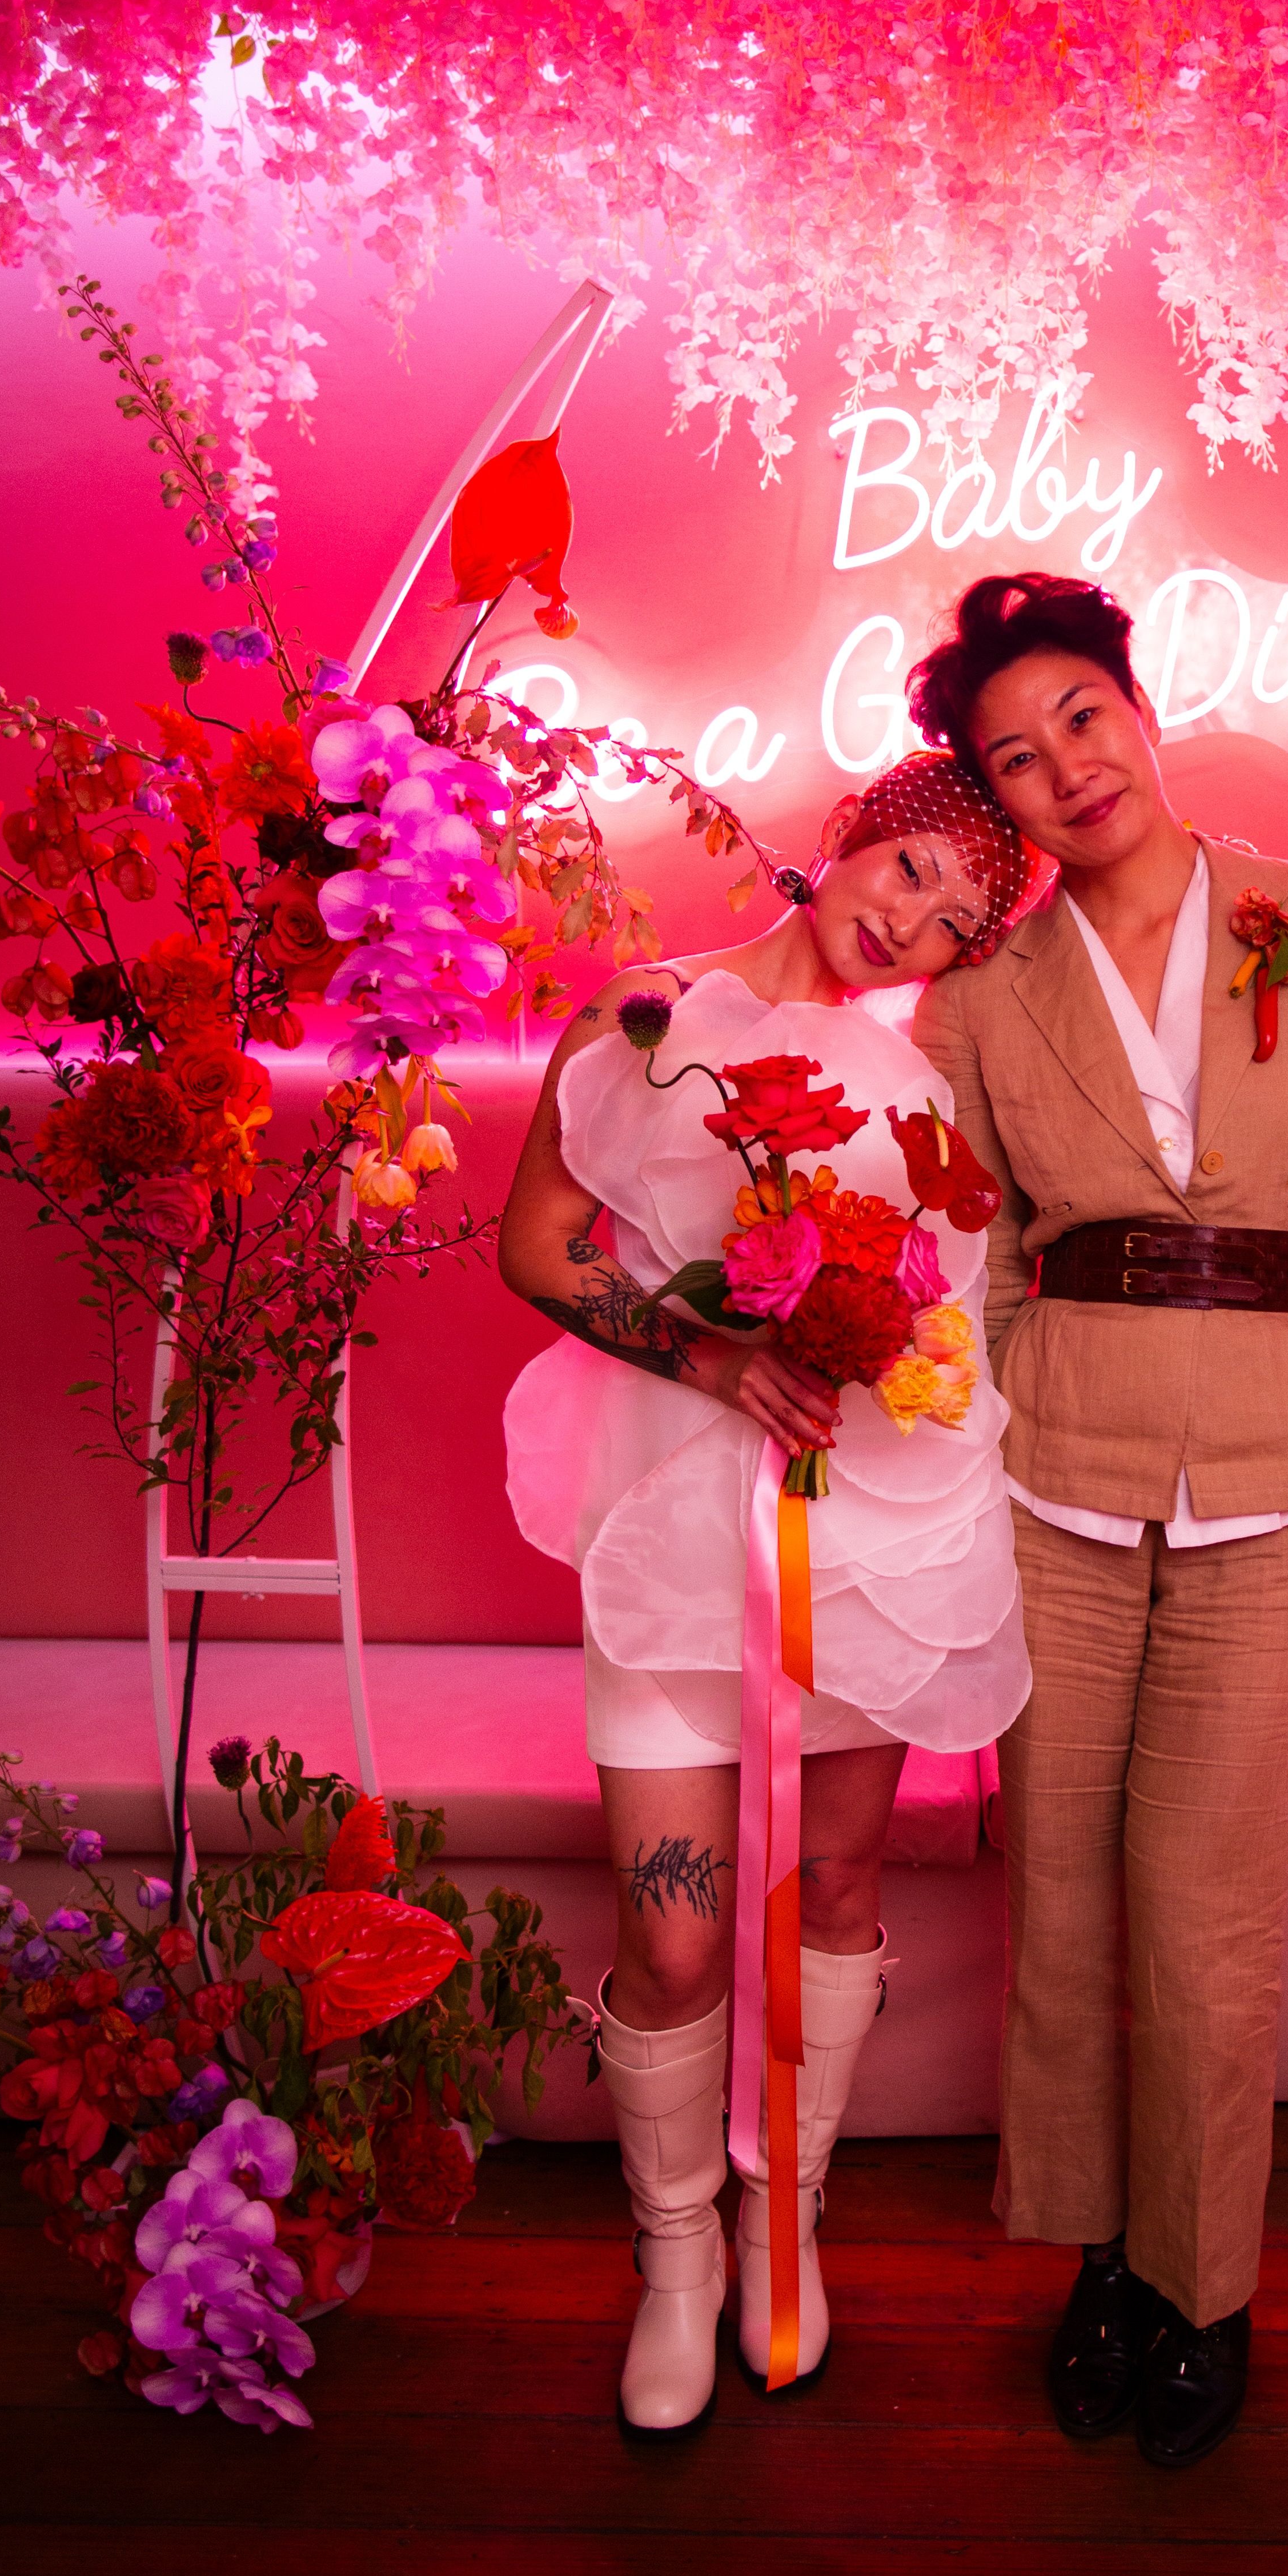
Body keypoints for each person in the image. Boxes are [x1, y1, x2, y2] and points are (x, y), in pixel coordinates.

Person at [907, 571, 1288, 2470]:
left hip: (1276, 1483)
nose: (1064, 767)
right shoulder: (978, 998)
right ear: (995, 802)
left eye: (1081, 717)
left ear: (1141, 712)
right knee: (1061, 1897)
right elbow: (967, 1271)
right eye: (1013, 757)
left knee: (1208, 1916)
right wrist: (947, 1504)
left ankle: (1206, 2289)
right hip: (1050, 1481)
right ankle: (1100, 2261)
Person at [498, 753, 1034, 2435]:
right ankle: (672, 2254)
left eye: (955, 922)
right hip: (673, 1522)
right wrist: (715, 1356)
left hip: (865, 1524)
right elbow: (537, 1246)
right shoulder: (649, 1017)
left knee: (842, 1880)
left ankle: (782, 2221)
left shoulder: (927, 1090)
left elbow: (952, 1304)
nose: (913, 924)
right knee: (674, 1934)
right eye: (911, 871)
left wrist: (882, 1326)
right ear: (847, 838)